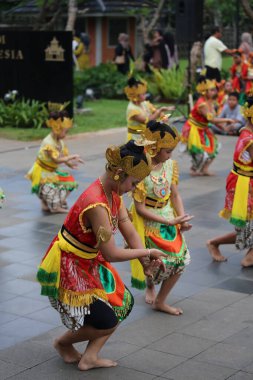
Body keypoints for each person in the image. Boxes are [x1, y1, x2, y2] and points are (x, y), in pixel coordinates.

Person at [36, 140, 166, 370]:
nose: (134, 189)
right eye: (134, 183)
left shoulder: (112, 192)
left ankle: (89, 357)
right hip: (71, 266)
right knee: (106, 320)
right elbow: (112, 253)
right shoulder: (96, 203)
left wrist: (145, 262)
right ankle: (62, 343)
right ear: (118, 173)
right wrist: (147, 250)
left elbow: (127, 225)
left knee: (121, 302)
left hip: (89, 261)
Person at [130, 120, 193, 315]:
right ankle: (150, 285)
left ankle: (160, 300)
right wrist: (168, 221)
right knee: (151, 261)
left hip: (168, 215)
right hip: (149, 221)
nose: (170, 156)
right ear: (154, 148)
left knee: (180, 260)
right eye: (167, 151)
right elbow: (139, 209)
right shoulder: (141, 169)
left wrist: (181, 218)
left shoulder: (171, 165)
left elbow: (175, 194)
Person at [207, 95, 253, 267]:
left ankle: (250, 254)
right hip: (243, 185)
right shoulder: (248, 138)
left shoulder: (248, 132)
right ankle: (214, 243)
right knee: (245, 229)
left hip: (247, 181)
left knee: (247, 228)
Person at [26, 107, 83, 213]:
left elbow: (61, 156)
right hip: (42, 173)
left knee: (69, 181)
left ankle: (53, 202)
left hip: (51, 172)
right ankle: (54, 205)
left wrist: (70, 164)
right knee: (50, 189)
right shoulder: (48, 142)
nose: (66, 134)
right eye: (65, 131)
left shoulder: (59, 141)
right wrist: (70, 157)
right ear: (57, 128)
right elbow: (56, 160)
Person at [182, 78, 234, 176]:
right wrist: (226, 120)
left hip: (204, 128)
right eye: (212, 90)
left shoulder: (210, 102)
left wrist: (223, 128)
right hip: (194, 129)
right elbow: (212, 120)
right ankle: (193, 169)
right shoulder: (202, 104)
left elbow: (212, 119)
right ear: (205, 92)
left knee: (215, 147)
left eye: (214, 89)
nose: (214, 92)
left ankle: (204, 169)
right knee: (198, 152)